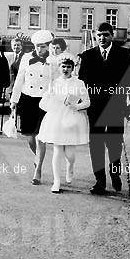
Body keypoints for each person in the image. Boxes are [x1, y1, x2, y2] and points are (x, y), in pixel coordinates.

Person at [78, 22, 130, 195]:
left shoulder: (124, 54)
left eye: (105, 34)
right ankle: (100, 181)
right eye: (99, 35)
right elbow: (81, 83)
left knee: (114, 143)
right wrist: (80, 104)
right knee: (95, 144)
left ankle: (115, 174)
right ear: (95, 37)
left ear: (111, 35)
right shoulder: (87, 56)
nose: (102, 38)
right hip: (94, 107)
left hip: (116, 106)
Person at [37, 52, 91, 193]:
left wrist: (77, 106)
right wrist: (49, 95)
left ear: (72, 68)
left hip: (72, 118)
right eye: (63, 66)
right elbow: (43, 104)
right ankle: (56, 181)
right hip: (57, 118)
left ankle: (70, 166)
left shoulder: (79, 83)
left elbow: (87, 102)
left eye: (68, 66)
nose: (65, 69)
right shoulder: (54, 83)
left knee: (70, 154)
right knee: (57, 151)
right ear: (59, 67)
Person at [11, 30, 53, 184]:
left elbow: (55, 82)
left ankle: (38, 170)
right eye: (37, 46)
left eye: (42, 47)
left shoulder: (53, 60)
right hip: (27, 99)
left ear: (49, 46)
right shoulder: (26, 57)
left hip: (44, 102)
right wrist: (14, 100)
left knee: (41, 137)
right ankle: (38, 158)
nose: (39, 50)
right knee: (29, 138)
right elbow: (19, 79)